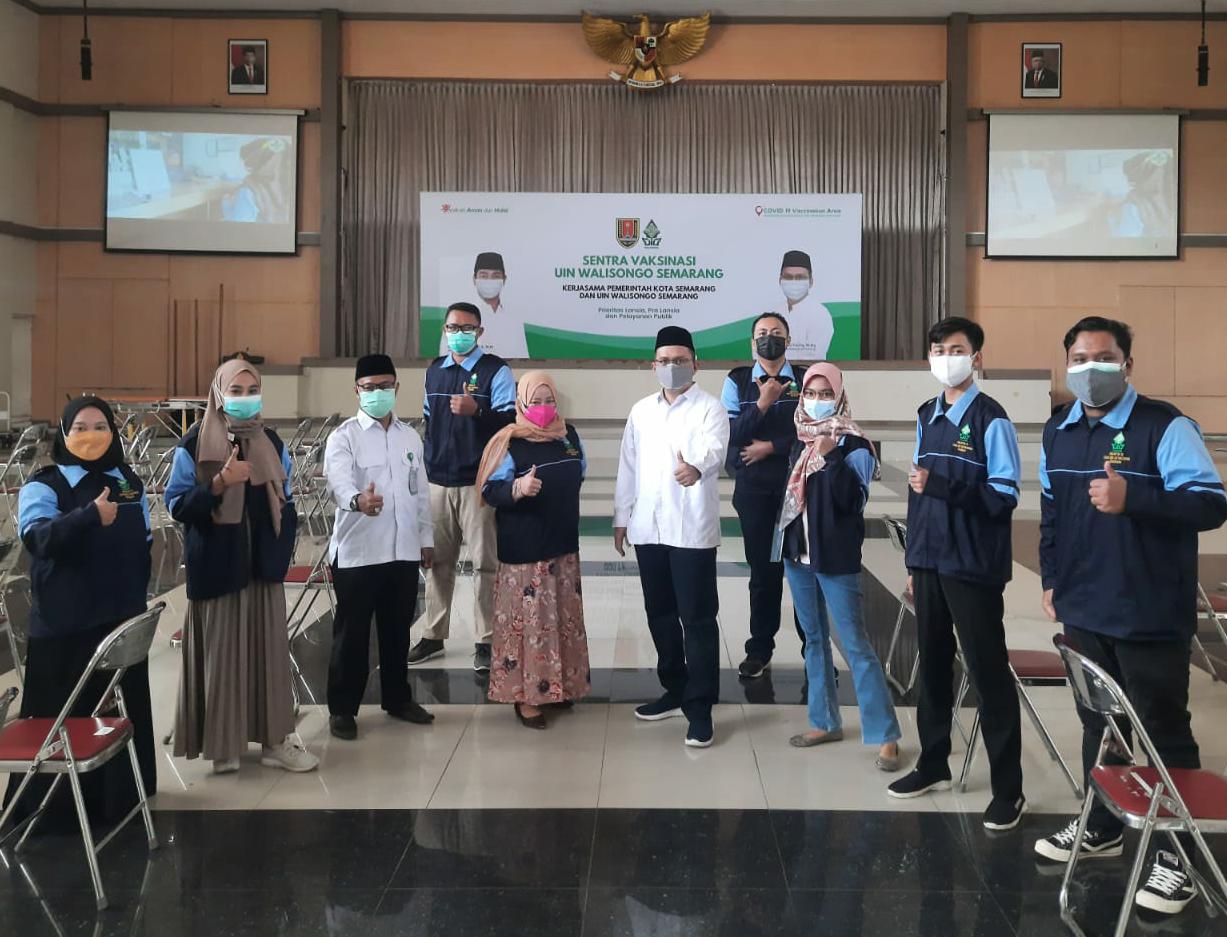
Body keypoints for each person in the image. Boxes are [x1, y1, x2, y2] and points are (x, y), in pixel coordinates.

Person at [1033, 317, 1226, 918]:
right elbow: (1050, 511)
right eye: (1080, 358)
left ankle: (1178, 858)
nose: (1090, 368)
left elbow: (1211, 504)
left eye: (1104, 357)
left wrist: (1133, 498)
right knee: (1101, 727)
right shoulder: (1059, 429)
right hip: (1084, 609)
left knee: (1163, 732)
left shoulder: (1163, 426)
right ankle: (1102, 826)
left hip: (1148, 612)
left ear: (1127, 365)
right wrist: (1051, 577)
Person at [887, 316, 1026, 832]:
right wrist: (913, 561)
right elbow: (916, 493)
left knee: (988, 674)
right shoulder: (927, 413)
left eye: (956, 349)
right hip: (929, 562)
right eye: (938, 350)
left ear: (977, 357)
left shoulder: (992, 419)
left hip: (971, 566)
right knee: (933, 666)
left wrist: (943, 485)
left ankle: (1009, 789)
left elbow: (1004, 496)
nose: (946, 358)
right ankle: (933, 763)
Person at [2, 397, 156, 831]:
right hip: (66, 629)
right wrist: (88, 516)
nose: (91, 435)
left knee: (118, 716)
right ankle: (54, 814)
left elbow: (145, 538)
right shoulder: (46, 485)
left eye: (101, 426)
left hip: (120, 623)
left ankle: (121, 803)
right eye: (81, 428)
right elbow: (39, 540)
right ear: (64, 435)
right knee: (63, 721)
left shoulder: (127, 480)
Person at [168, 359, 318, 775]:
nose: (245, 398)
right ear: (219, 393)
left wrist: (280, 547)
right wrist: (219, 484)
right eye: (236, 391)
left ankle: (275, 740)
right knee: (223, 658)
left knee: (268, 657)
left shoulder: (271, 441)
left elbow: (286, 498)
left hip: (263, 568)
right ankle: (224, 746)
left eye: (252, 390)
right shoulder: (194, 445)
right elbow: (177, 505)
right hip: (218, 569)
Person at [777, 364, 902, 770]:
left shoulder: (856, 445)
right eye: (810, 394)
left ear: (840, 395)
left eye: (825, 393)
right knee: (813, 639)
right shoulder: (800, 439)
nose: (817, 401)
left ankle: (885, 735)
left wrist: (831, 458)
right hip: (799, 557)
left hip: (836, 559)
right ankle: (824, 721)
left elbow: (853, 502)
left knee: (855, 645)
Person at [614, 325, 729, 747]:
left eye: (680, 360)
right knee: (659, 613)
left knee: (697, 619)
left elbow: (716, 450)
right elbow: (628, 466)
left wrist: (695, 467)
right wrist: (621, 517)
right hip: (648, 527)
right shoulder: (641, 410)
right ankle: (674, 689)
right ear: (653, 366)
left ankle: (700, 707)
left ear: (696, 363)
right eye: (664, 360)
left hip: (690, 530)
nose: (672, 367)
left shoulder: (710, 408)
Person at [323, 354, 436, 741]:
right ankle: (342, 708)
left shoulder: (409, 437)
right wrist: (358, 501)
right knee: (352, 634)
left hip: (402, 551)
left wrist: (426, 539)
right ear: (357, 390)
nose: (378, 393)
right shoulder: (344, 437)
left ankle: (397, 698)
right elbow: (338, 482)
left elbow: (420, 493)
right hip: (359, 552)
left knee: (397, 630)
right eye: (369, 387)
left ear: (396, 388)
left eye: (385, 386)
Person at [476, 371, 591, 729]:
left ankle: (558, 687)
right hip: (525, 551)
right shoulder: (508, 442)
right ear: (522, 404)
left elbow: (579, 472)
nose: (544, 407)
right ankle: (526, 696)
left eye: (549, 400)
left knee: (561, 620)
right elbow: (489, 491)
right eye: (536, 401)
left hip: (563, 545)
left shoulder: (568, 436)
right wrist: (517, 488)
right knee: (529, 625)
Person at [410, 302, 517, 673]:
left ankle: (486, 639)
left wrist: (478, 411)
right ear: (444, 330)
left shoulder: (495, 370)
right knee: (438, 562)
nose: (459, 334)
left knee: (486, 564)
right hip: (437, 480)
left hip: (478, 483)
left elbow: (509, 424)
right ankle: (433, 633)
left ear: (480, 332)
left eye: (467, 328)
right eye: (453, 327)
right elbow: (428, 420)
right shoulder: (434, 371)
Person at [721, 312, 804, 678]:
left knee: (804, 572)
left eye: (777, 332)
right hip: (754, 492)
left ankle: (813, 650)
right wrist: (762, 404)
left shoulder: (805, 379)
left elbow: (814, 433)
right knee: (763, 573)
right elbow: (731, 436)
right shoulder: (737, 380)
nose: (770, 338)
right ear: (752, 342)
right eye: (763, 333)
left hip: (799, 490)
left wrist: (772, 446)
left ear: (788, 339)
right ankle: (759, 649)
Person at [774, 250, 834, 361]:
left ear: (811, 282)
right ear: (780, 280)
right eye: (788, 277)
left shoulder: (820, 314)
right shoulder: (774, 313)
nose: (793, 282)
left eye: (800, 277)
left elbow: (813, 357)